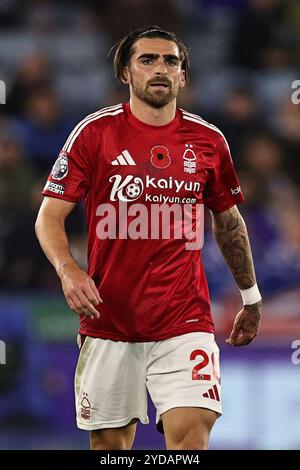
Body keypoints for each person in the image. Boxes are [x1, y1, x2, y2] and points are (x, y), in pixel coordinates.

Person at [35, 26, 262, 450]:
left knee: (191, 437)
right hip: (109, 320)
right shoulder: (94, 133)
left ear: (184, 77)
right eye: (148, 60)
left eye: (171, 61)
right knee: (110, 449)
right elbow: (49, 217)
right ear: (126, 72)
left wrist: (249, 296)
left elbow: (228, 222)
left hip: (184, 321)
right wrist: (68, 270)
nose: (161, 69)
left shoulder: (209, 141)